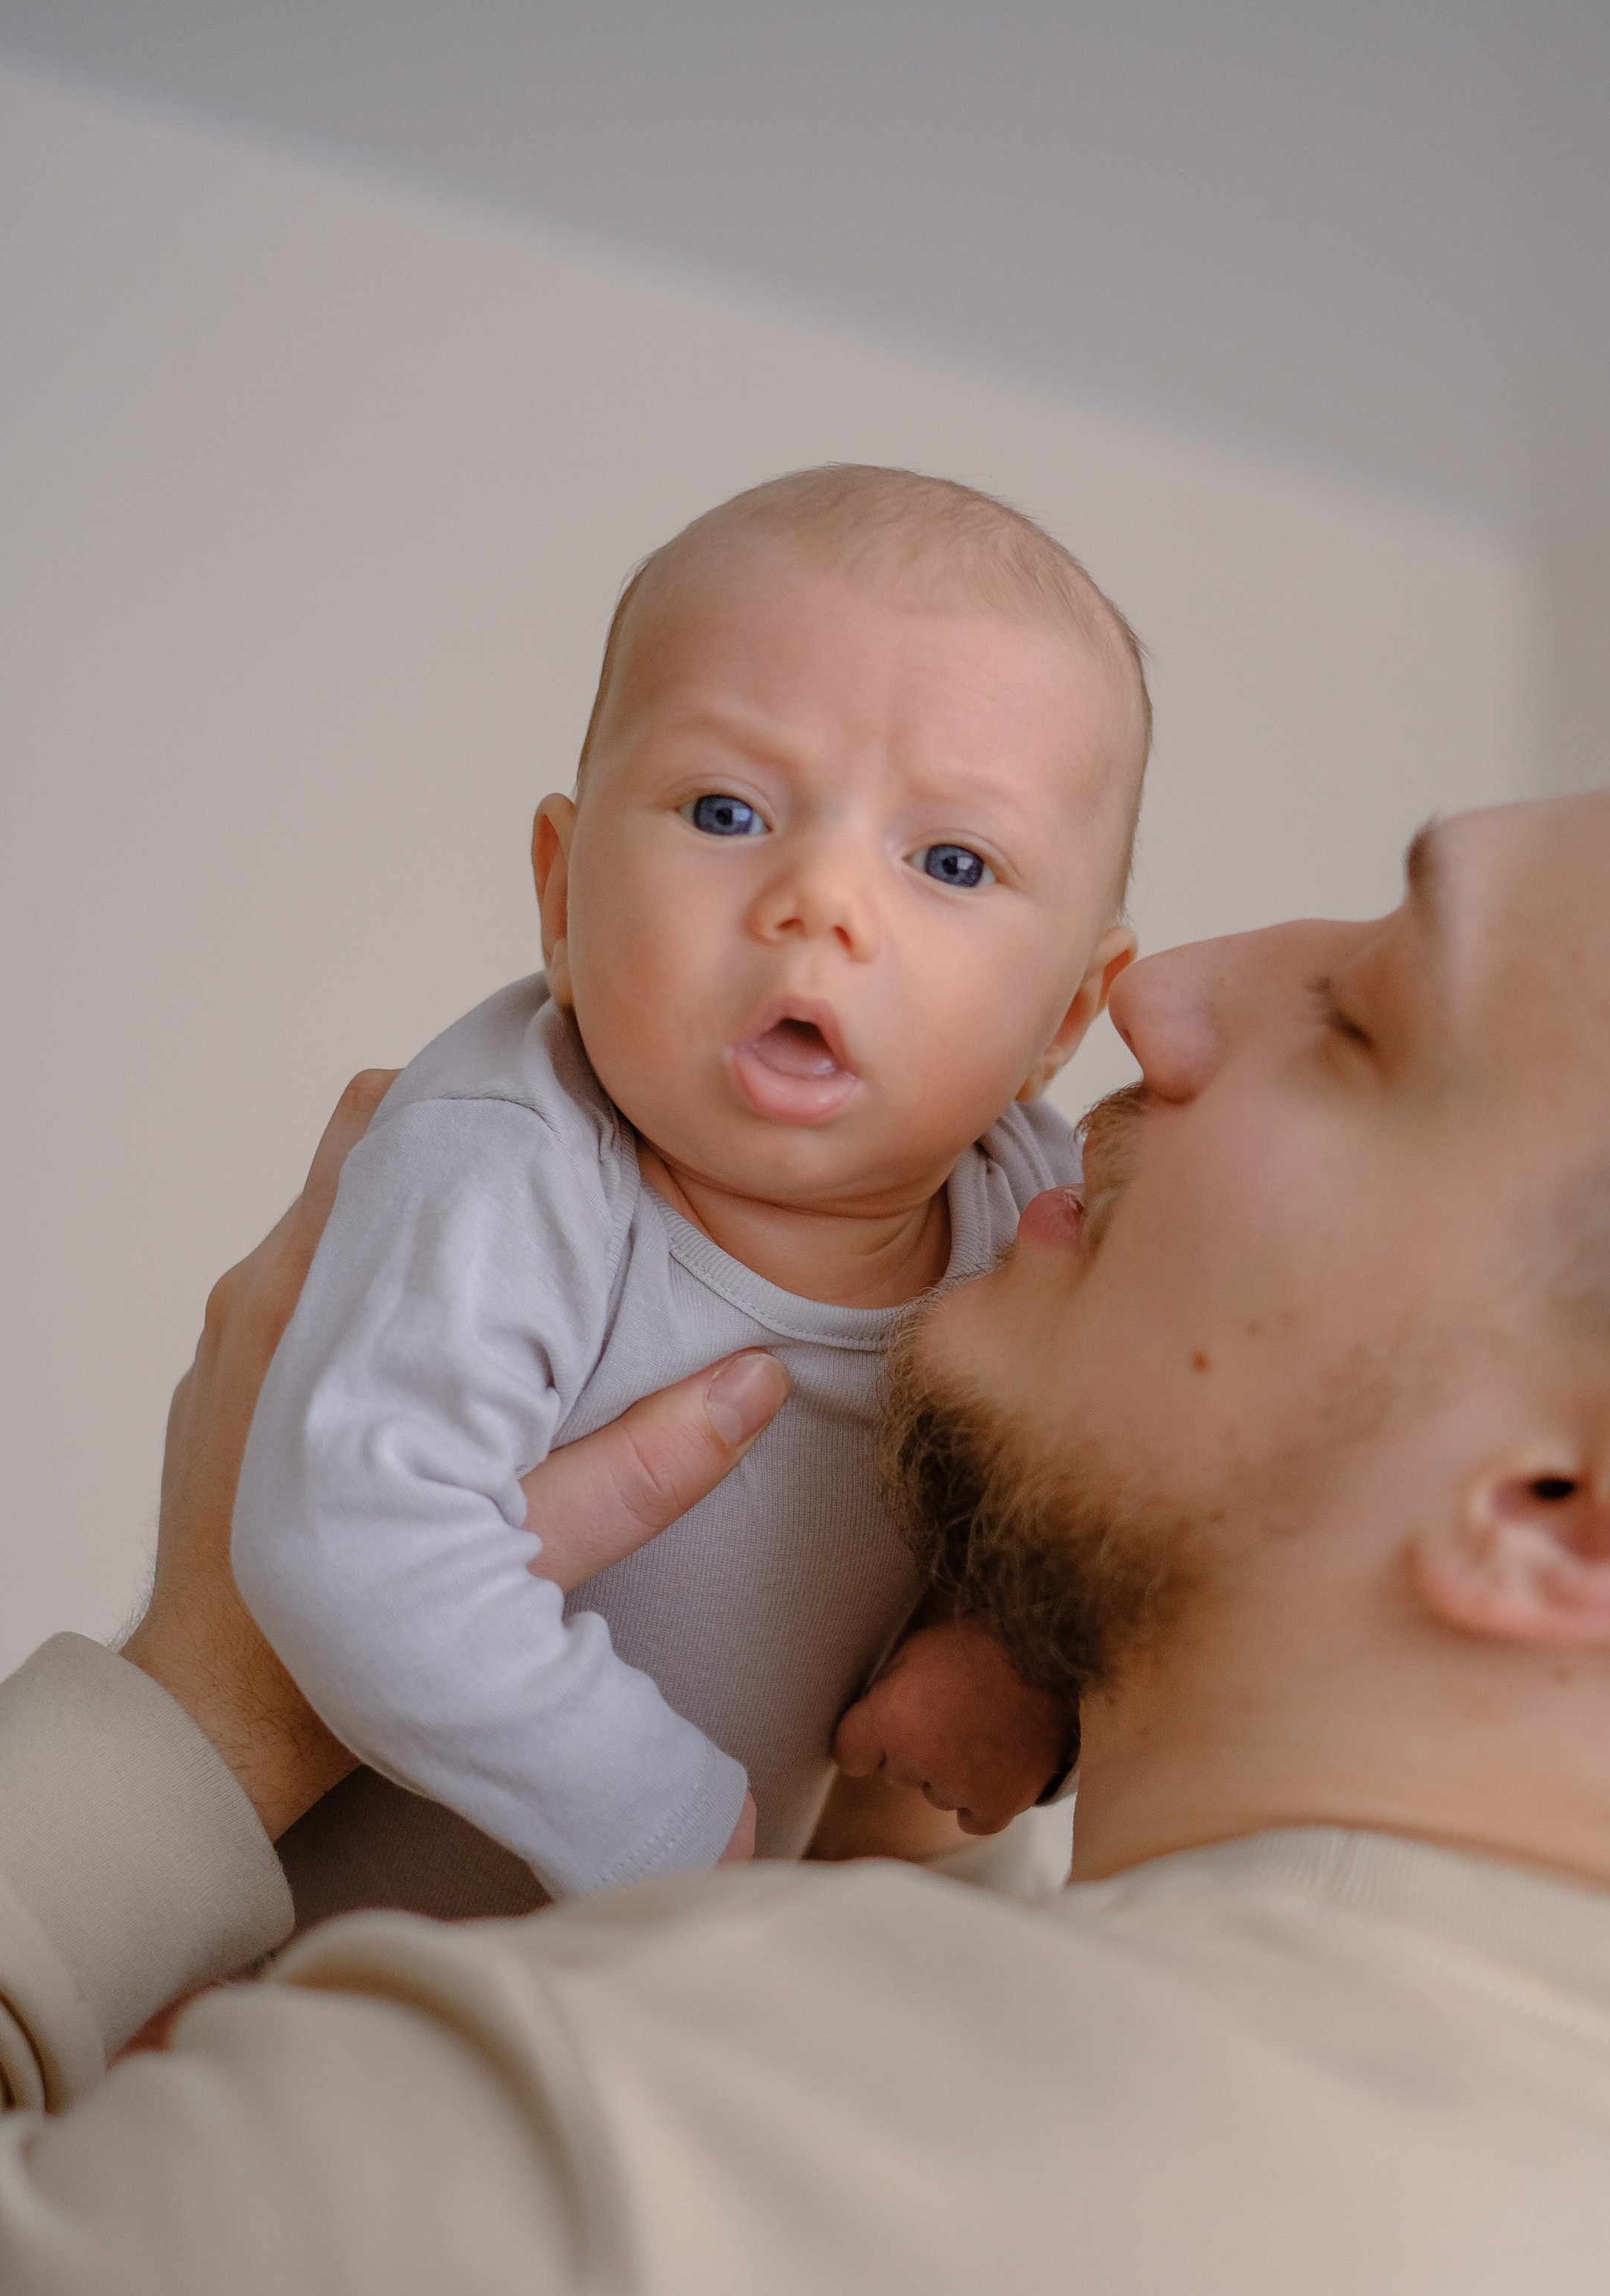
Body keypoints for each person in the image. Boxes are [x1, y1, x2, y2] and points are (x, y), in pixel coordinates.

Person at [0, 710, 1610, 2296]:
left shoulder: (600, 2212)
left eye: (1364, 1015)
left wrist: (206, 1701)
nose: (1160, 987)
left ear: (1590, 1504)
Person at [231, 465, 1136, 1917]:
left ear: (1065, 1019)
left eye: (950, 861)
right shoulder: (514, 1157)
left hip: (674, 2007)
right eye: (724, 811)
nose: (818, 899)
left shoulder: (1030, 1207)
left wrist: (1002, 1653)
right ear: (563, 898)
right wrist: (664, 1819)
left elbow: (1136, 1474)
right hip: (325, 1968)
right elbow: (353, 1540)